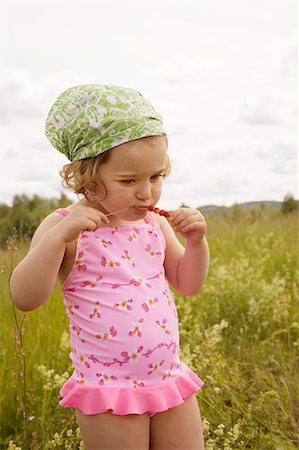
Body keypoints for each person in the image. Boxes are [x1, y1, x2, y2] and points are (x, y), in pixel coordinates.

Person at [10, 84, 209, 450]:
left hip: (168, 377)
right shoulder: (64, 226)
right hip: (109, 393)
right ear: (85, 175)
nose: (146, 193)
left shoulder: (155, 224)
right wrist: (58, 239)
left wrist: (197, 244)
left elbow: (187, 282)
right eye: (129, 180)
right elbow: (24, 297)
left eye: (156, 176)